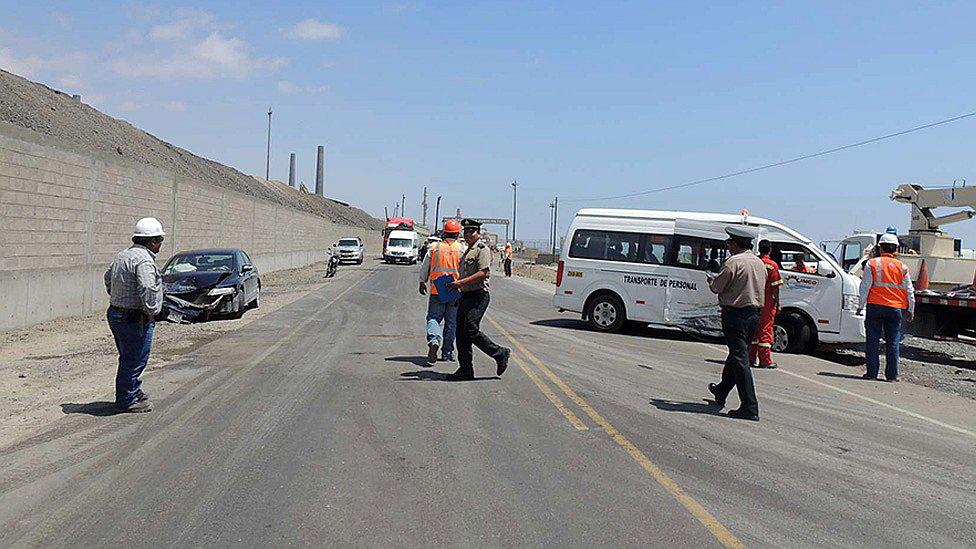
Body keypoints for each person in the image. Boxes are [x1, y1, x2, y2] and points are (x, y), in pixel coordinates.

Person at [103, 217, 165, 413]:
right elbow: (147, 287)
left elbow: (107, 278)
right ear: (152, 241)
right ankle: (127, 399)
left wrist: (118, 297)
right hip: (134, 318)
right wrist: (151, 312)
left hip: (116, 314)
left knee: (128, 356)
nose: (160, 246)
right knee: (135, 359)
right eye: (159, 242)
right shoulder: (144, 260)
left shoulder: (122, 256)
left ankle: (132, 389)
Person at [706, 226, 767, 421]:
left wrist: (711, 280)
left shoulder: (733, 262)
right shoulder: (759, 263)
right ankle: (721, 391)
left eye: (729, 242)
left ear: (735, 244)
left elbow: (717, 287)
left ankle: (750, 406)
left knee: (740, 360)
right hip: (754, 316)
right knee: (736, 356)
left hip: (735, 315)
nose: (728, 246)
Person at [446, 219, 511, 380]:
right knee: (461, 334)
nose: (468, 235)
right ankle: (465, 370)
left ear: (478, 233)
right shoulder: (467, 250)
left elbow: (484, 273)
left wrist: (460, 282)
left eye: (471, 232)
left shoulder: (482, 249)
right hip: (465, 295)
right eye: (465, 232)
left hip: (478, 295)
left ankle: (499, 353)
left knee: (470, 329)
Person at [858, 233, 914, 382]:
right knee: (893, 342)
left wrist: (860, 305)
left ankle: (871, 373)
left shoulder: (872, 263)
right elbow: (909, 290)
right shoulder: (902, 267)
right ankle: (892, 376)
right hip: (895, 309)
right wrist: (911, 309)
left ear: (880, 248)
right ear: (896, 249)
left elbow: (865, 286)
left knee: (872, 341)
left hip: (875, 306)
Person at [418, 220, 463, 364]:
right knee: (451, 322)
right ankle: (447, 352)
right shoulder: (462, 249)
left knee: (433, 318)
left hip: (438, 289)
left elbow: (425, 267)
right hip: (455, 289)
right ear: (457, 234)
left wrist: (422, 282)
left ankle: (434, 340)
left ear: (444, 232)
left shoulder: (434, 248)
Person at [749, 240, 783, 369]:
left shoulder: (755, 262)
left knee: (753, 331)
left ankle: (750, 357)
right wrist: (778, 302)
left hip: (753, 300)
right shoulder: (772, 265)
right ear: (770, 250)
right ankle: (765, 360)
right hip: (767, 303)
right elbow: (775, 286)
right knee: (765, 330)